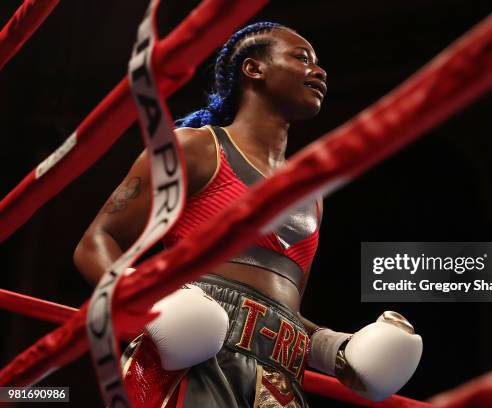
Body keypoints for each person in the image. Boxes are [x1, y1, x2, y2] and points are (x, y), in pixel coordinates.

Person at [74, 21, 422, 408]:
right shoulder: (196, 149)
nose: (319, 71)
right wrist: (151, 306)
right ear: (254, 69)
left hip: (277, 381)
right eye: (301, 58)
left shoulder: (311, 198)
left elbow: (280, 312)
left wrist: (333, 346)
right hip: (190, 360)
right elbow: (95, 243)